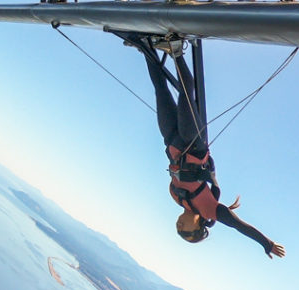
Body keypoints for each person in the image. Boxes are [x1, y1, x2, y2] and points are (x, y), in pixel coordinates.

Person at [118, 32, 285, 259]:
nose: (178, 224)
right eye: (183, 229)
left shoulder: (176, 198)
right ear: (197, 227)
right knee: (186, 93)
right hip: (193, 144)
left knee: (161, 91)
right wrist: (266, 243)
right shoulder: (210, 210)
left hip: (172, 142)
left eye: (178, 229)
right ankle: (175, 50)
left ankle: (146, 47)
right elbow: (240, 226)